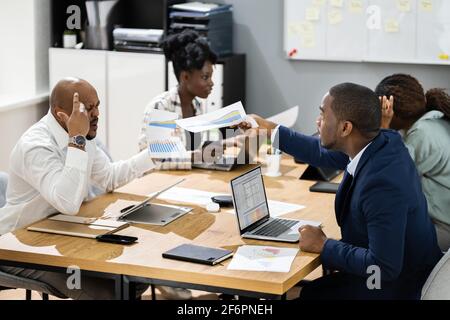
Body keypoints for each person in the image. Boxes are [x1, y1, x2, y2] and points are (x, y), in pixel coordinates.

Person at [239, 83, 442, 299]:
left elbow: (384, 267)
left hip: (401, 286)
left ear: (345, 128)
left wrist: (325, 245)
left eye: (323, 115)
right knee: (312, 291)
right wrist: (270, 130)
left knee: (313, 294)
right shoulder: (382, 142)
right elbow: (320, 153)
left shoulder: (382, 184)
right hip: (399, 273)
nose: (318, 121)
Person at [0, 78, 154, 299]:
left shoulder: (82, 135)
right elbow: (68, 202)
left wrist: (154, 154)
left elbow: (108, 177)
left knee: (131, 277)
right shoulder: (36, 147)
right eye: (87, 109)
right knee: (108, 292)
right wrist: (77, 139)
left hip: (59, 231)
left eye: (97, 106)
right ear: (61, 113)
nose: (96, 114)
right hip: (19, 246)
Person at [375, 74, 450, 252]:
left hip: (443, 229)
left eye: (381, 109)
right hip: (442, 221)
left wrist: (383, 128)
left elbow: (389, 175)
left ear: (392, 109)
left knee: (377, 241)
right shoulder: (436, 120)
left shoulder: (421, 134)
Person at [138, 29, 218, 170]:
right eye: (205, 77)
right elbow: (154, 161)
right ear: (185, 77)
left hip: (186, 180)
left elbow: (196, 149)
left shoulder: (197, 106)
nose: (211, 83)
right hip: (158, 185)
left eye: (211, 77)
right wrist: (197, 156)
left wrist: (226, 144)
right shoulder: (161, 107)